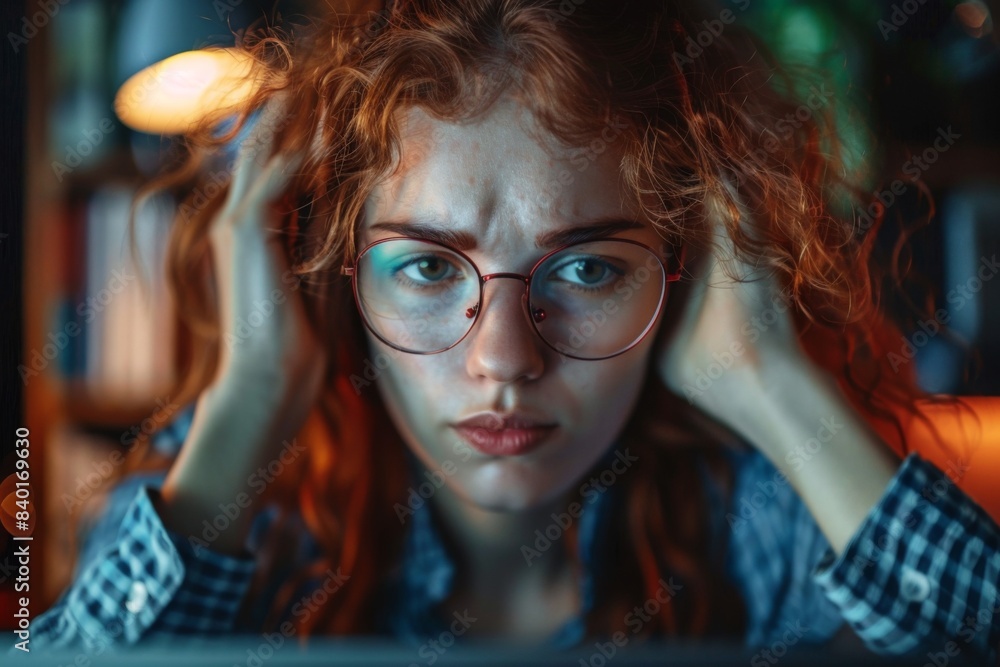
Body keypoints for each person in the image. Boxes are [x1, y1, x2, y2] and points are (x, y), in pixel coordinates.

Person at [29, 0, 1000, 660]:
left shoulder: (758, 512)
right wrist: (246, 398)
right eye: (424, 266)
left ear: (685, 271)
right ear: (330, 277)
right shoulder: (244, 502)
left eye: (585, 268)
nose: (503, 359)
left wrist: (773, 389)